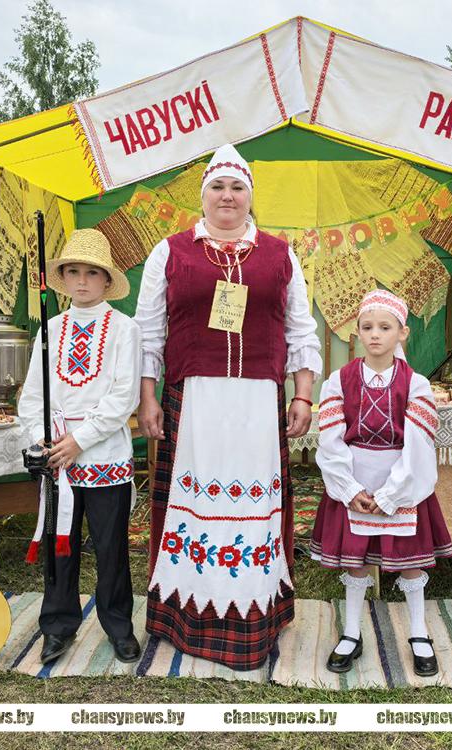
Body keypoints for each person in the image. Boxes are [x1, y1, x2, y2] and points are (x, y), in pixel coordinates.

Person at [134, 143, 322, 670]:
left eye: (238, 187)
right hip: (193, 402)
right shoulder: (170, 252)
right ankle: (187, 617)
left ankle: (254, 616)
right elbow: (149, 333)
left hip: (258, 402)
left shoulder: (280, 254)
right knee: (191, 506)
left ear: (250, 197)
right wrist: (148, 397)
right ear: (204, 196)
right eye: (218, 186)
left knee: (252, 507)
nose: (228, 196)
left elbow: (300, 329)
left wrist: (302, 392)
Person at [311, 289, 452, 676]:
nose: (375, 334)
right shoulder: (338, 382)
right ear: (356, 332)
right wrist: (350, 488)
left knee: (409, 561)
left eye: (385, 327)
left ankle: (419, 632)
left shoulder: (417, 384)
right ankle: (352, 631)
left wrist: (393, 493)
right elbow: (330, 437)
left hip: (401, 481)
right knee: (356, 561)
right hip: (355, 480)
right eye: (367, 327)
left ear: (402, 333)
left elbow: (418, 446)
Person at [17, 229, 142, 664]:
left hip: (104, 455)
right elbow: (32, 395)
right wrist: (43, 439)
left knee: (111, 548)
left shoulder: (126, 330)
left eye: (93, 273)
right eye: (74, 272)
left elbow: (124, 395)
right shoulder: (50, 331)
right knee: (59, 543)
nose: (83, 281)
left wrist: (79, 440)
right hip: (57, 458)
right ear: (63, 279)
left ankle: (119, 626)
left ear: (107, 281)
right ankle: (57, 624)